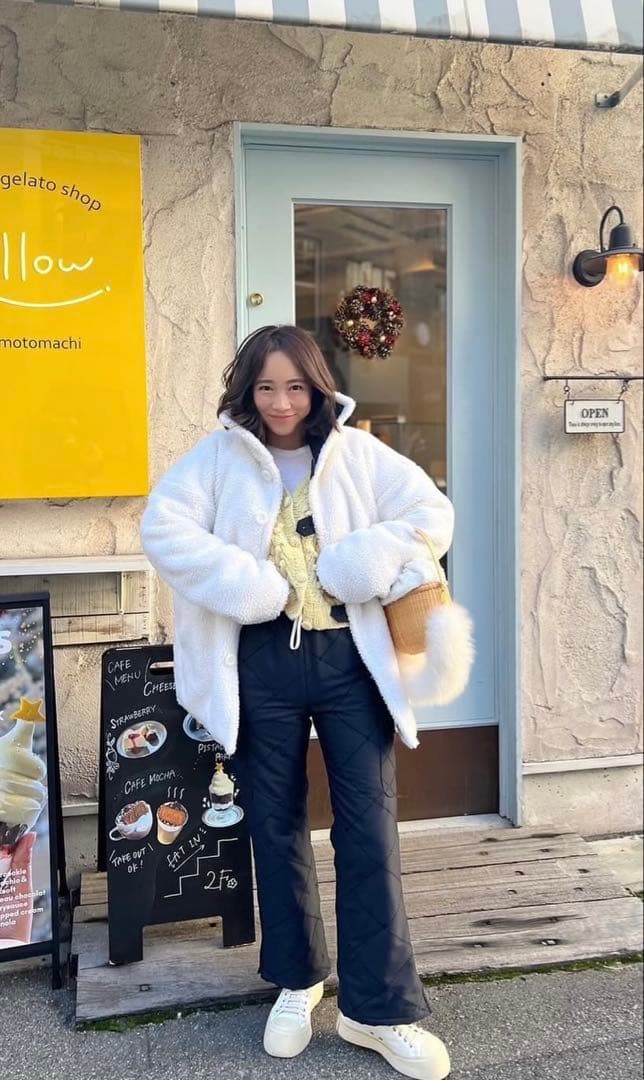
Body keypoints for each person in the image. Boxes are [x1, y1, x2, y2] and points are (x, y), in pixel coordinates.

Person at [140, 325, 454, 1080]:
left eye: (296, 387)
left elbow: (430, 514)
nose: (282, 403)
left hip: (350, 660)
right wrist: (248, 586)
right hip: (259, 661)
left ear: (319, 388)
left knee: (369, 828)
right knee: (275, 825)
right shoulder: (216, 459)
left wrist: (362, 558)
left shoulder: (359, 454)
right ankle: (297, 979)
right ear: (246, 391)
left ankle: (378, 1009)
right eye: (266, 387)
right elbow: (163, 529)